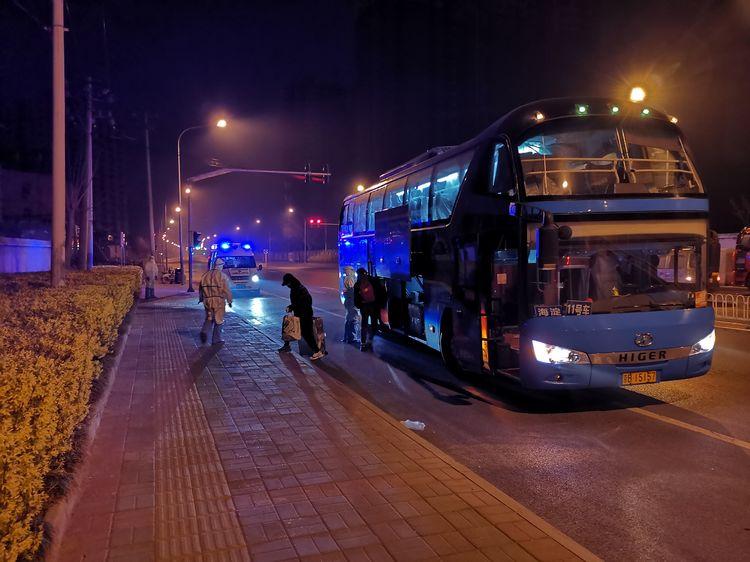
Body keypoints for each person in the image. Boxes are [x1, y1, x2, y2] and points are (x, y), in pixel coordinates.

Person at [278, 273, 324, 360]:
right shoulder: (296, 288)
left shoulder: (299, 289)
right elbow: (299, 302)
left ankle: (317, 351)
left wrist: (292, 307)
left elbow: (304, 302)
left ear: (290, 282)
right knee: (289, 327)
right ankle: (287, 345)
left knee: (307, 334)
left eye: (287, 284)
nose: (287, 286)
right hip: (301, 314)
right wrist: (292, 307)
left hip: (305, 315)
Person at [198, 257, 233, 345]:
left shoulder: (205, 275)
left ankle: (204, 331)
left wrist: (201, 299)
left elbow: (200, 289)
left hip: (207, 301)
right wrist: (229, 301)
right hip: (219, 301)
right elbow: (227, 290)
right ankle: (216, 339)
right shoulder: (222, 276)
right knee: (219, 319)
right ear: (220, 266)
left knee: (209, 318)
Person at [354, 267, 380, 351]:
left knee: (364, 325)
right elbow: (379, 290)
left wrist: (359, 305)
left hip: (364, 306)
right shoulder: (372, 280)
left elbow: (356, 297)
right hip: (373, 305)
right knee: (374, 323)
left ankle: (363, 344)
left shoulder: (357, 284)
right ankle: (370, 340)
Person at [341, 266, 359, 344]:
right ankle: (351, 338)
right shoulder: (350, 279)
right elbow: (352, 290)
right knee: (352, 319)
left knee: (348, 319)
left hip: (348, 302)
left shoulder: (346, 278)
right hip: (351, 302)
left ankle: (346, 337)